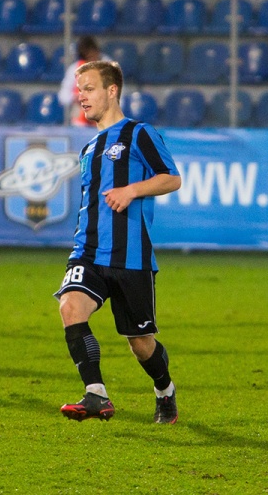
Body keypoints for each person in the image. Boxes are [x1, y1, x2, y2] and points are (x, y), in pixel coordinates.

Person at [54, 60, 182, 424]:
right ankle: (96, 394)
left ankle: (165, 390)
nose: (81, 97)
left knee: (140, 344)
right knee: (70, 307)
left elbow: (172, 178)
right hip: (88, 252)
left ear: (112, 91)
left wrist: (131, 190)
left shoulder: (139, 133)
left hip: (131, 257)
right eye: (79, 90)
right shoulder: (89, 148)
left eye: (89, 89)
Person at [58, 35, 108, 128]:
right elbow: (63, 95)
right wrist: (74, 98)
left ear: (97, 52)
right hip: (80, 122)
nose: (91, 59)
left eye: (93, 55)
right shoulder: (75, 69)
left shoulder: (108, 68)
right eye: (88, 57)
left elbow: (119, 95)